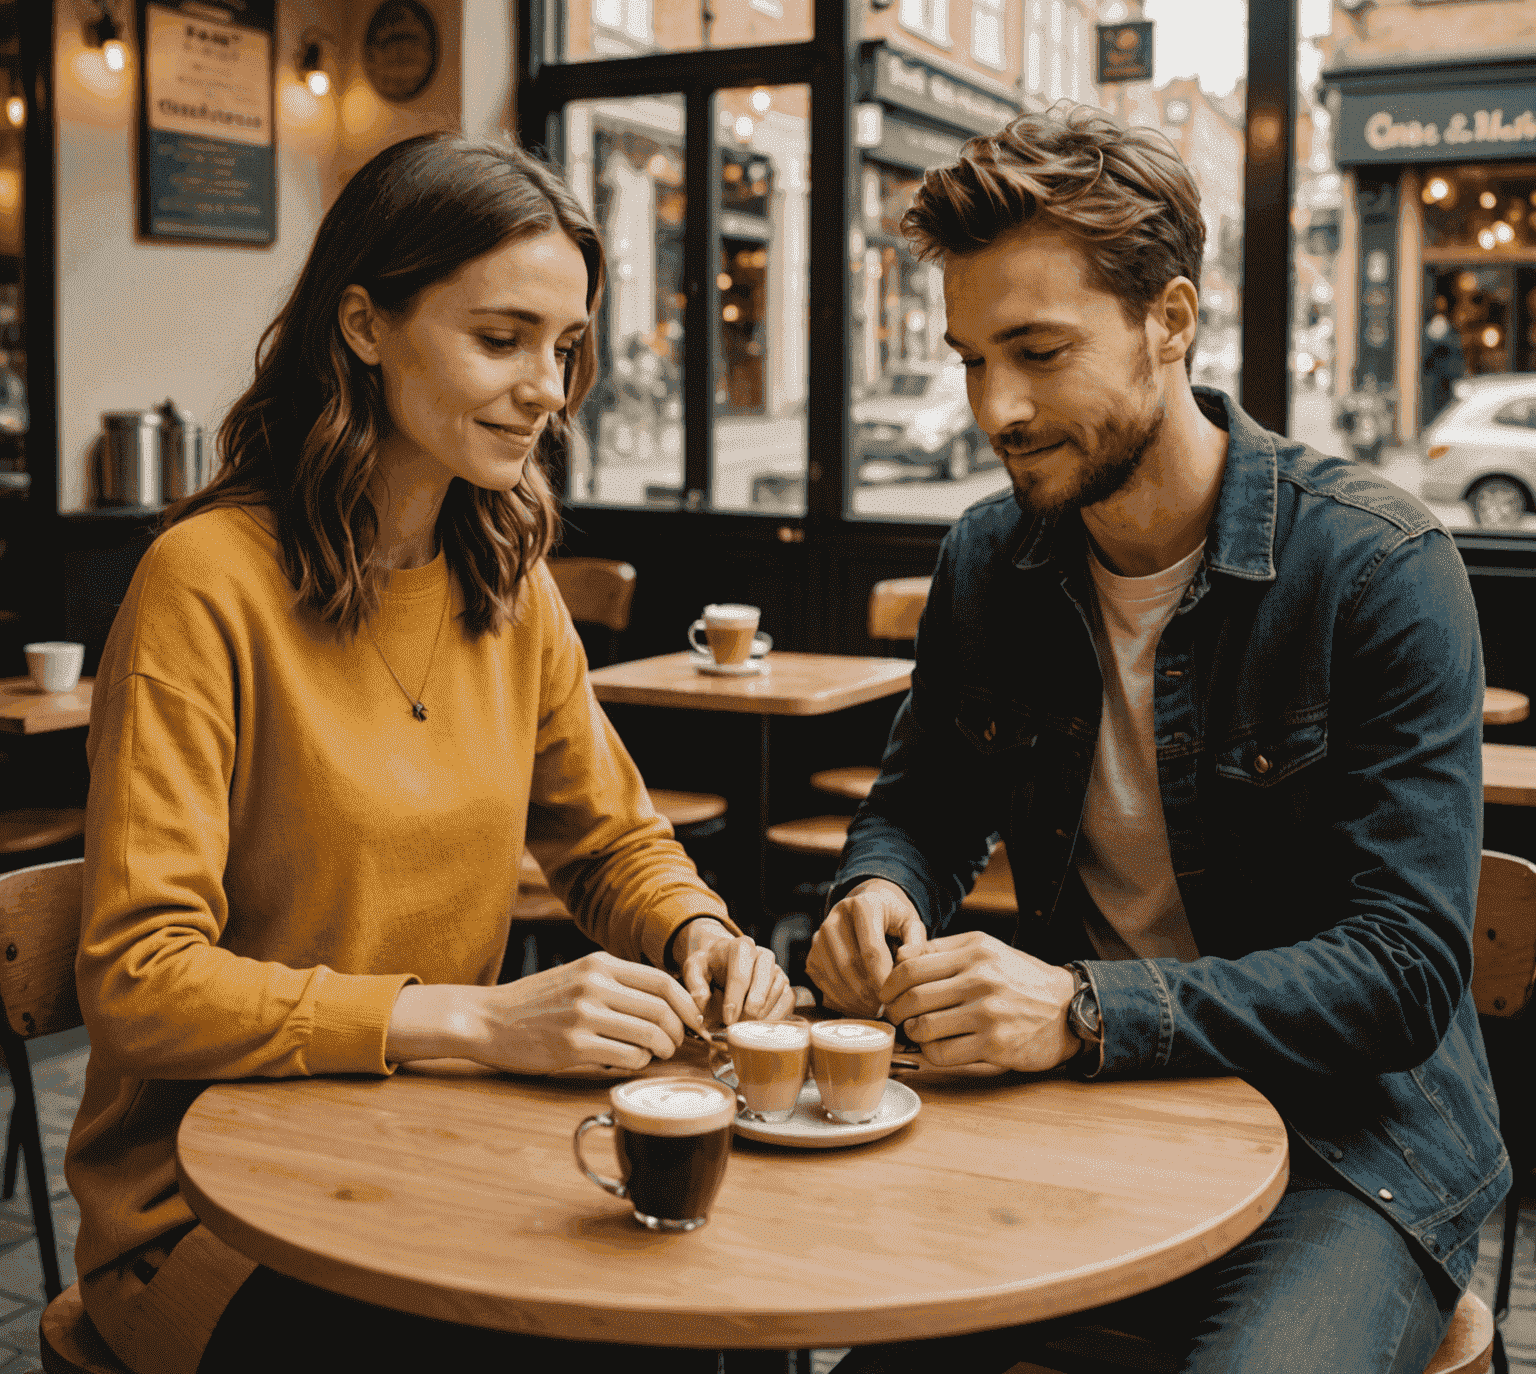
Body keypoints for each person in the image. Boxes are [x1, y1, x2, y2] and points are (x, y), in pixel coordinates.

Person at [67, 132, 791, 1374]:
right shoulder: (205, 582)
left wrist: (696, 934)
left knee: (725, 1308)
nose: (547, 388)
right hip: (208, 1218)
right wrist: (476, 1022)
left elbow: (612, 841)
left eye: (565, 348)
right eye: (501, 339)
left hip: (434, 1151)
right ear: (364, 325)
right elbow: (140, 981)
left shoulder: (505, 579)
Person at [807, 107, 1508, 1374]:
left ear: (1169, 321)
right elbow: (924, 804)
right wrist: (880, 892)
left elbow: (1404, 971)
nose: (997, 408)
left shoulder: (1378, 567)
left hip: (1351, 1149)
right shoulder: (989, 560)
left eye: (1038, 352)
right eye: (972, 361)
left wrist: (1082, 1012)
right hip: (1083, 1115)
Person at [1423, 312, 1466, 425]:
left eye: (1441, 326)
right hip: (1429, 392)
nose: (1438, 328)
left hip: (1445, 391)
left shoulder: (1452, 347)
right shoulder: (1424, 345)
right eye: (1436, 325)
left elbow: (1456, 371)